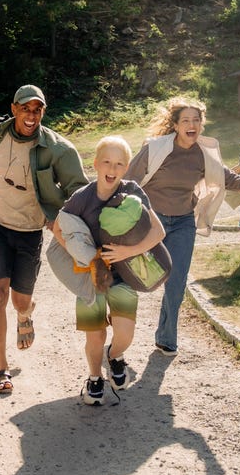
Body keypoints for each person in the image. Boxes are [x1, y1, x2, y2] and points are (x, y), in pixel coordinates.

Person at [0, 84, 89, 395]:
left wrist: (76, 232)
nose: (31, 114)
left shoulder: (57, 149)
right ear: (13, 109)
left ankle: (26, 314)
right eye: (25, 108)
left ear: (43, 112)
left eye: (37, 109)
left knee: (18, 301)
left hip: (29, 232)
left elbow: (80, 192)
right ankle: (1, 368)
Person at [123, 97, 240, 357]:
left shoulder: (203, 154)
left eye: (196, 120)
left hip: (182, 222)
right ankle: (116, 327)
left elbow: (223, 176)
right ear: (176, 124)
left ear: (202, 124)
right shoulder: (156, 149)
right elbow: (128, 180)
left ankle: (166, 338)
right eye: (186, 120)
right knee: (133, 276)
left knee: (176, 281)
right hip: (151, 221)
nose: (192, 125)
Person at [52, 136, 165, 405]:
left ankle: (114, 356)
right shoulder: (82, 198)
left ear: (125, 168)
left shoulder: (134, 191)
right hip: (90, 278)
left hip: (124, 275)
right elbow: (58, 229)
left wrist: (126, 252)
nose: (112, 169)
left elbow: (157, 232)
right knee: (95, 333)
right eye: (106, 162)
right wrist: (85, 257)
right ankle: (94, 378)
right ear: (95, 164)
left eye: (119, 164)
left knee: (125, 333)